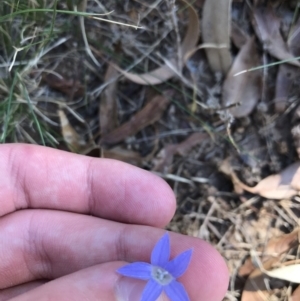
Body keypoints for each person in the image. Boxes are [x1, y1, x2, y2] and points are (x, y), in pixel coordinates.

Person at [0, 144, 229, 301]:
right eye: (160, 274)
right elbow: (131, 273)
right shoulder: (153, 275)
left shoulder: (170, 275)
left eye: (161, 276)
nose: (160, 276)